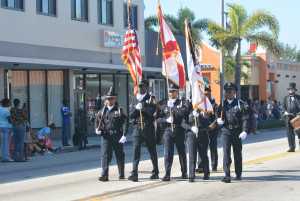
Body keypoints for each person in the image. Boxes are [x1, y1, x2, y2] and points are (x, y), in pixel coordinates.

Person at [216, 83, 249, 183]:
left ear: (235, 92)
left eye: (230, 91)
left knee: (237, 153)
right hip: (225, 131)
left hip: (237, 131)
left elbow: (245, 118)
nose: (228, 93)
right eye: (226, 91)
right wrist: (218, 120)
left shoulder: (239, 104)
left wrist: (245, 131)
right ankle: (227, 175)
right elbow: (217, 114)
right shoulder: (222, 104)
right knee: (226, 153)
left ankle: (238, 174)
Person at [94, 88, 128, 182]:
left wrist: (124, 135)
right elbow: (96, 121)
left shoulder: (120, 110)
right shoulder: (102, 111)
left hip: (117, 135)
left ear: (115, 99)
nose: (109, 101)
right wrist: (97, 129)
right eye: (107, 99)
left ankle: (121, 173)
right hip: (106, 136)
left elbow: (125, 123)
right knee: (105, 155)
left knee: (119, 155)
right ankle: (104, 175)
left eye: (111, 99)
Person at [128, 79, 159, 182]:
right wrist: (136, 108)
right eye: (139, 86)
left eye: (142, 86)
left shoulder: (151, 98)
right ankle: (134, 173)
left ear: (146, 87)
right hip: (137, 127)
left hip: (148, 126)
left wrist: (143, 106)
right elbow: (131, 115)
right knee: (136, 150)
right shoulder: (134, 99)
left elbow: (151, 112)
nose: (140, 88)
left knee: (152, 150)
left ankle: (155, 171)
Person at [157, 82, 188, 182]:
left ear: (177, 93)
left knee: (181, 151)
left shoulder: (182, 104)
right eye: (170, 92)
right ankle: (167, 173)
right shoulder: (165, 105)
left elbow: (183, 114)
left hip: (179, 130)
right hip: (168, 130)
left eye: (173, 91)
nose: (171, 93)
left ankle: (184, 172)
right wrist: (166, 120)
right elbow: (158, 119)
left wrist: (173, 110)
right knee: (168, 152)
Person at [182, 109, 210, 182]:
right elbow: (183, 123)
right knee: (192, 155)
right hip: (191, 134)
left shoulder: (204, 111)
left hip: (202, 133)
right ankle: (191, 175)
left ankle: (206, 173)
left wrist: (199, 116)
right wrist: (191, 128)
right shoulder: (188, 111)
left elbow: (208, 121)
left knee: (203, 154)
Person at [196, 89, 219, 173]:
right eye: (203, 94)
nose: (205, 96)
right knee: (201, 147)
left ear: (209, 94)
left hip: (212, 128)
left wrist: (214, 123)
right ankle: (201, 166)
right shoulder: (199, 105)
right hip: (203, 128)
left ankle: (214, 165)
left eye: (207, 94)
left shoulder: (214, 105)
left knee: (212, 146)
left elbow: (217, 117)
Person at [282, 83, 300, 152]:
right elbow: (283, 107)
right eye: (290, 89)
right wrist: (285, 111)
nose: (291, 90)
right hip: (288, 117)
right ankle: (292, 147)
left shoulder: (298, 97)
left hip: (297, 117)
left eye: (292, 89)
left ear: (294, 90)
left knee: (299, 132)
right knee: (289, 133)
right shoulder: (285, 98)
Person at [0, 98, 13, 162]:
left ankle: (2, 156)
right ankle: (7, 157)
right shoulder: (6, 110)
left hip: (1, 127)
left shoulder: (0, 109)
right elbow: (9, 120)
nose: (9, 103)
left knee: (3, 143)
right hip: (7, 127)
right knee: (7, 143)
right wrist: (13, 122)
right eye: (9, 102)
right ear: (6, 103)